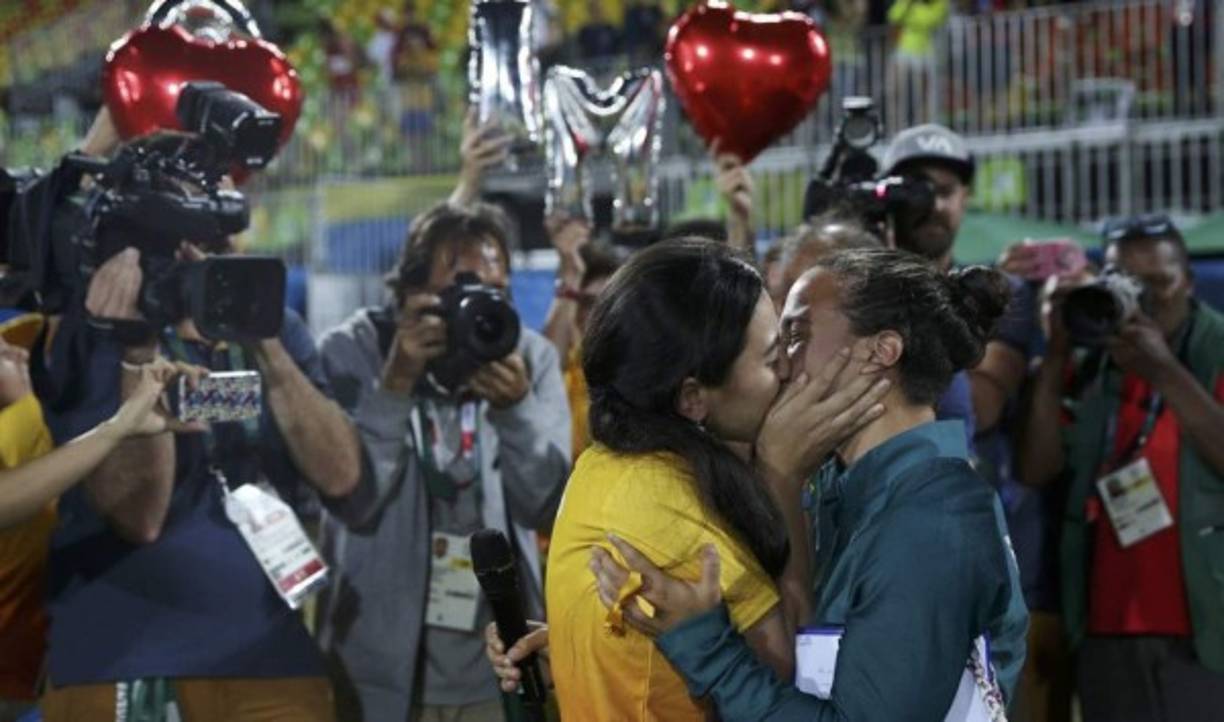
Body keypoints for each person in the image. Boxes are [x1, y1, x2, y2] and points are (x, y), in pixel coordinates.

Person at [495, 249, 1028, 720]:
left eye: (795, 336)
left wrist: (707, 649)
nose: (782, 364)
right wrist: (604, 649)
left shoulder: (934, 519)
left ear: (879, 352)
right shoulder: (833, 483)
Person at [34, 145, 361, 722]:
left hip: (272, 656)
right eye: (176, 234)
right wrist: (138, 347)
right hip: (124, 663)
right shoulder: (95, 331)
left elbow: (342, 476)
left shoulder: (274, 326)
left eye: (211, 230)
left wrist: (261, 336)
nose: (196, 253)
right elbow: (140, 517)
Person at [542, 238, 889, 721]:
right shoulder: (659, 498)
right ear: (692, 398)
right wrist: (782, 476)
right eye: (771, 359)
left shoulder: (615, 463)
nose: (789, 370)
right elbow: (799, 672)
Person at [317, 202, 571, 722]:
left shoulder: (528, 357)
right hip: (379, 671)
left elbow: (546, 511)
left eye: (494, 293)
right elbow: (352, 501)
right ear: (411, 292)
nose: (477, 309)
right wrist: (395, 384)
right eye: (459, 293)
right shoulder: (355, 352)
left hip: (497, 669)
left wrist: (516, 411)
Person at [1016, 214, 1224, 722]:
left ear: (1189, 282)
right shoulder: (1092, 361)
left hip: (1204, 628)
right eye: (1126, 284)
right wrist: (1057, 352)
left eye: (1158, 283)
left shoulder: (1215, 348)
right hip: (1103, 628)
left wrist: (1165, 372)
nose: (1144, 300)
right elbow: (1036, 469)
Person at [881, 123, 1033, 446]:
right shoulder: (856, 289)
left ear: (965, 198)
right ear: (887, 197)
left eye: (946, 191)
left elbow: (983, 408)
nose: (934, 205)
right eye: (918, 190)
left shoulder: (996, 292)